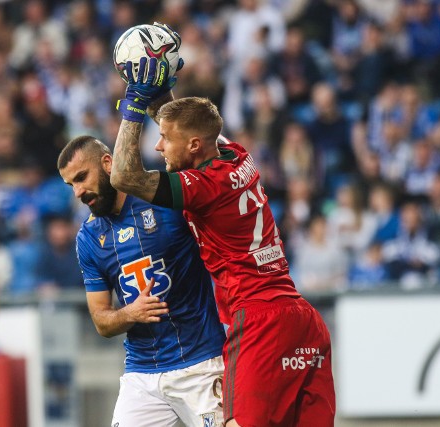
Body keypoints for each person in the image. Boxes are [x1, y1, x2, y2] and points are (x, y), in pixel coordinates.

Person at [110, 56, 335, 426]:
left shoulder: (204, 188)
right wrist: (160, 74)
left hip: (259, 320)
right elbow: (184, 121)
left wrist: (134, 102)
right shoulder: (236, 155)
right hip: (303, 319)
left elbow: (124, 175)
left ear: (195, 146)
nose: (158, 147)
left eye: (164, 140)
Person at [57, 135, 226, 427]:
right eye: (71, 184)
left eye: (82, 177)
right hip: (142, 374)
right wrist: (129, 313)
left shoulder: (165, 200)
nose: (78, 192)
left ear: (108, 163)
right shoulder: (88, 239)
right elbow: (101, 320)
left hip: (201, 364)